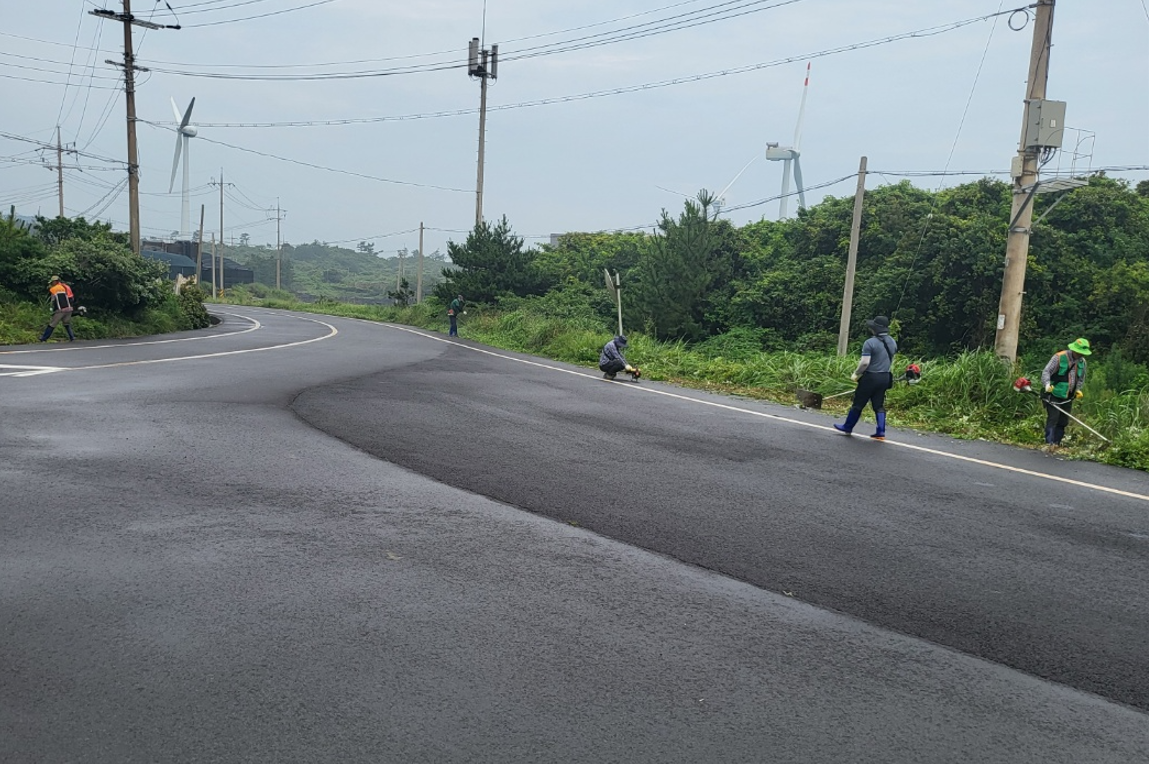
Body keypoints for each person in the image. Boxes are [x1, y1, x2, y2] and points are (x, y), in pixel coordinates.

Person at [834, 315, 897, 440]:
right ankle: (881, 431)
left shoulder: (870, 343)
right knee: (878, 405)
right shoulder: (893, 342)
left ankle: (848, 426)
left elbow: (864, 363)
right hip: (885, 377)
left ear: (875, 329)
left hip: (871, 377)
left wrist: (856, 373)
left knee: (858, 403)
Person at [1039, 337, 1090, 449]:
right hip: (1054, 393)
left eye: (1083, 353)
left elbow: (1081, 378)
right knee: (1053, 418)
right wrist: (1047, 385)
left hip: (1068, 396)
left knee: (1063, 420)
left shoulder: (1082, 362)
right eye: (1080, 353)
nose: (1081, 355)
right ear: (1074, 350)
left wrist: (1078, 390)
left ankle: (1057, 443)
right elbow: (1046, 371)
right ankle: (1049, 443)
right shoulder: (1059, 357)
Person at [39, 276, 75, 342]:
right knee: (66, 324)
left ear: (55, 281)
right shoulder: (65, 287)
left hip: (60, 310)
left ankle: (44, 338)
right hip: (69, 309)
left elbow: (53, 300)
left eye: (52, 282)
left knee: (52, 324)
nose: (51, 284)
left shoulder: (54, 289)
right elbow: (71, 297)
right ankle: (72, 337)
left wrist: (52, 309)